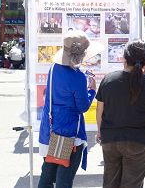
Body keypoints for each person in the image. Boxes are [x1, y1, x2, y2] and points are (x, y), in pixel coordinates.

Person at [95, 40, 145, 188]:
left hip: (110, 139)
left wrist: (100, 131)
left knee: (110, 183)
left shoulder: (108, 80)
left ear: (124, 59)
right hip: (141, 141)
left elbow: (99, 109)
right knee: (132, 184)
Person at [38, 30, 102, 188]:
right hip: (70, 134)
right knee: (64, 181)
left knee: (46, 177)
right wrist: (92, 90)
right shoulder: (78, 77)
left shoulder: (54, 69)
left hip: (50, 131)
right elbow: (82, 107)